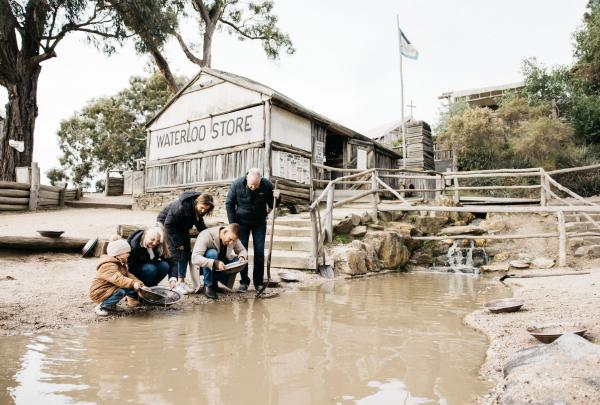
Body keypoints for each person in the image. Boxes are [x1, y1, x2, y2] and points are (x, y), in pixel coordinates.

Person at [225, 168, 279, 292]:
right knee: (242, 252)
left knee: (259, 252)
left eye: (256, 185)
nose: (253, 187)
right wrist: (233, 224)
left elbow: (273, 205)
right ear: (247, 178)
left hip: (259, 222)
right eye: (251, 185)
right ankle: (244, 282)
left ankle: (258, 283)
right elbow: (229, 203)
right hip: (241, 223)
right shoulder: (237, 184)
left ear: (261, 180)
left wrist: (278, 197)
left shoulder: (267, 185)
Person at [157, 192, 214, 295]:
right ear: (196, 202)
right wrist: (177, 243)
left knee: (186, 253)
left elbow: (199, 222)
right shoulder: (181, 207)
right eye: (202, 208)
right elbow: (168, 224)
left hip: (181, 226)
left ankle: (182, 282)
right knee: (179, 253)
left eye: (206, 209)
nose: (203, 211)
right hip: (166, 225)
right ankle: (178, 284)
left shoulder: (197, 208)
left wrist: (208, 235)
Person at [191, 223, 248, 299]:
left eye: (233, 240)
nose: (231, 242)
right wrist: (214, 263)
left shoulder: (232, 236)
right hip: (202, 266)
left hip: (221, 264)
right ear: (225, 231)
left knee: (238, 261)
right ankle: (208, 285)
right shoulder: (205, 235)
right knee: (212, 253)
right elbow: (195, 258)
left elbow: (242, 250)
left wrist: (242, 256)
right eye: (230, 239)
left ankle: (215, 285)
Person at [90, 237, 144, 316]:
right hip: (99, 292)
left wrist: (140, 284)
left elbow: (129, 275)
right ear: (118, 254)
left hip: (108, 289)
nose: (129, 254)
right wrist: (132, 283)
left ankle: (112, 305)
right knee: (121, 291)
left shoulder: (120, 263)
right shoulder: (108, 265)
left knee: (128, 288)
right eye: (127, 252)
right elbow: (118, 279)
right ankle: (102, 307)